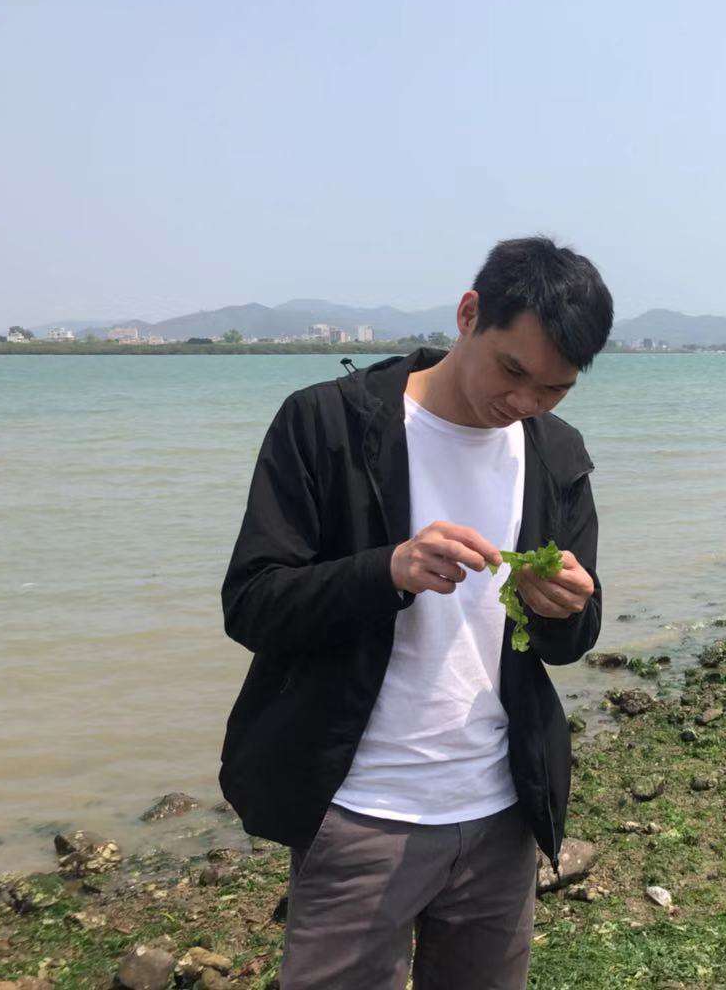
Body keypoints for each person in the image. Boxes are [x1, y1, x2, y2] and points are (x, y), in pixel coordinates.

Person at [218, 237, 613, 988]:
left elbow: (571, 641)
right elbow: (252, 602)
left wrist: (565, 609)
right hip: (359, 813)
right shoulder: (326, 424)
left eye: (555, 389)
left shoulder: (557, 453)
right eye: (513, 372)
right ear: (468, 315)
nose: (525, 403)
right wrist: (387, 570)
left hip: (501, 810)